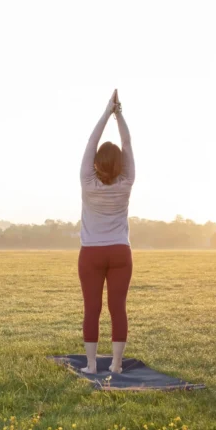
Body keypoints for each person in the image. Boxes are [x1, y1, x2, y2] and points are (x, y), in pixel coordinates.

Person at [79, 89, 135, 374]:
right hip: (120, 252)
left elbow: (92, 141)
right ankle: (115, 364)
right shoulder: (126, 181)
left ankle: (91, 365)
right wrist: (119, 114)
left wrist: (106, 112)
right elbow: (126, 142)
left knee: (93, 309)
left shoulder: (87, 181)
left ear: (96, 164)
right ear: (121, 165)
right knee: (118, 308)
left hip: (91, 253)